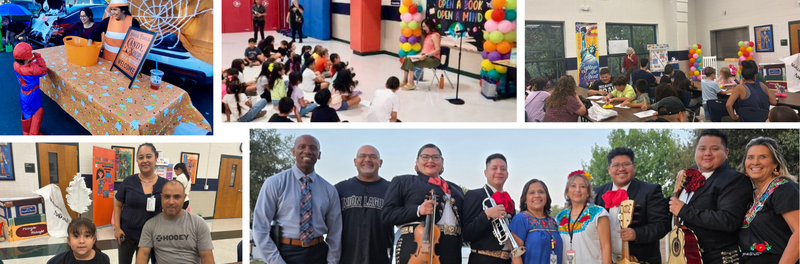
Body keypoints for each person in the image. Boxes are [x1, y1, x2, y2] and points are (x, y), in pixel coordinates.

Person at [252, 135, 342, 264]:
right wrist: (276, 261)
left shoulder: (329, 190)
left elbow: (335, 231)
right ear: (293, 152)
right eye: (302, 147)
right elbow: (260, 227)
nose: (307, 151)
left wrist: (332, 261)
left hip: (319, 253)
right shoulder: (274, 183)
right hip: (285, 254)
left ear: (319, 154)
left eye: (313, 148)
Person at [669, 129, 752, 264]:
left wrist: (684, 210)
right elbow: (675, 210)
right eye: (702, 148)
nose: (707, 153)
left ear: (726, 153)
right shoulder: (689, 175)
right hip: (686, 256)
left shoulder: (735, 180)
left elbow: (728, 220)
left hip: (718, 258)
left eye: (714, 149)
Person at [382, 143, 465, 264]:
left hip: (452, 251)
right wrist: (418, 210)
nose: (430, 160)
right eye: (425, 157)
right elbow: (387, 215)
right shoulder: (403, 181)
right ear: (417, 161)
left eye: (435, 157)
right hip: (416, 250)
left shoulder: (456, 189)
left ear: (442, 161)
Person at [593, 148, 670, 263]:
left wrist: (636, 234)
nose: (621, 169)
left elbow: (662, 225)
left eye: (626, 164)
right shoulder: (597, 193)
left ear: (634, 167)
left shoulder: (650, 190)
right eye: (616, 165)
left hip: (641, 260)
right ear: (609, 170)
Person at [736, 137, 799, 264]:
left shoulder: (784, 188)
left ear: (775, 163)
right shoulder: (750, 195)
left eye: (763, 157)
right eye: (750, 157)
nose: (755, 162)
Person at [334, 145, 394, 264]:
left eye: (373, 156)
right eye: (362, 156)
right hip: (346, 258)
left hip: (380, 258)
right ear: (355, 162)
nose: (367, 159)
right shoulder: (339, 189)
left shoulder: (392, 190)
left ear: (380, 162)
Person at [114, 143, 168, 264]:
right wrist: (117, 228)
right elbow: (118, 205)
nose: (145, 161)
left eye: (148, 156)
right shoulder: (128, 181)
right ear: (137, 160)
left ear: (156, 158)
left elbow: (170, 209)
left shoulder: (165, 185)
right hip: (125, 235)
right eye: (141, 157)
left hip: (149, 237)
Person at [136, 180, 214, 264]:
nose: (171, 202)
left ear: (184, 198)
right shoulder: (150, 225)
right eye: (167, 196)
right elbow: (142, 256)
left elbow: (207, 258)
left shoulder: (198, 223)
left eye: (176, 197)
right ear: (161, 197)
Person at [463, 154, 518, 264]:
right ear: (485, 173)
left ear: (507, 174)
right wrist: (486, 215)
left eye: (503, 169)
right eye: (494, 168)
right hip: (483, 260)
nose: (499, 172)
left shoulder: (510, 201)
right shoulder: (474, 195)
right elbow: (466, 234)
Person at [555, 170, 612, 264]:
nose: (577, 190)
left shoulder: (599, 213)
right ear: (567, 192)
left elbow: (606, 247)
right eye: (573, 186)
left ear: (588, 192)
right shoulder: (559, 217)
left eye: (582, 186)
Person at [507, 179, 562, 264]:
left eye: (541, 192)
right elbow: (516, 257)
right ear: (525, 199)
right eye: (532, 193)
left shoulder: (552, 221)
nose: (537, 195)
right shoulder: (521, 219)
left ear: (546, 197)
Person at [13, 42, 47, 135]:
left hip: (23, 93)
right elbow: (44, 70)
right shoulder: (33, 69)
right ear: (28, 58)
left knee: (26, 111)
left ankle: (26, 133)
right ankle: (33, 135)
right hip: (33, 94)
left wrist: (30, 60)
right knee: (38, 111)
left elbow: (25, 65)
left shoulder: (15, 65)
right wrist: (38, 57)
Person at [47, 218, 111, 264]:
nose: (81, 241)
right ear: (69, 240)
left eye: (87, 236)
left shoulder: (103, 260)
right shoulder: (61, 261)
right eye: (76, 236)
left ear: (94, 239)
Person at [400, 19, 441, 90]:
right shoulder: (428, 36)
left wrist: (426, 55)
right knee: (407, 58)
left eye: (425, 26)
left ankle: (411, 83)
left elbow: (437, 50)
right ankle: (405, 80)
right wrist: (419, 56)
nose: (423, 28)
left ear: (430, 25)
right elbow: (425, 50)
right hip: (425, 57)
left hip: (433, 59)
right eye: (422, 27)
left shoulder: (435, 35)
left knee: (410, 60)